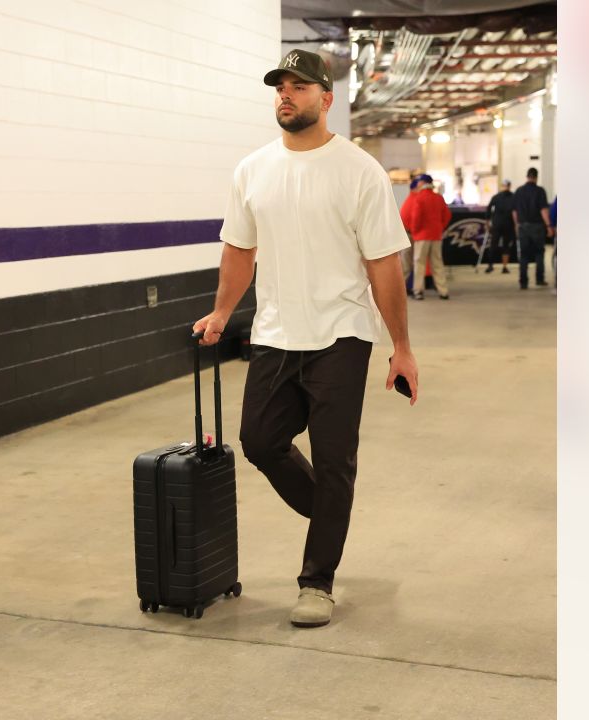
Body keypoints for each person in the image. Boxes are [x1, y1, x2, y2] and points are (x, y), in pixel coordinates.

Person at [192, 49, 419, 629]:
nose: (286, 95)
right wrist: (221, 313)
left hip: (342, 334)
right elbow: (239, 250)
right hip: (274, 332)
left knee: (334, 458)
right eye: (280, 87)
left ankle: (317, 580)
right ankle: (330, 515)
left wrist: (402, 347)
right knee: (260, 441)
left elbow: (384, 265)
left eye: (299, 86)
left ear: (326, 98)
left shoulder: (359, 171)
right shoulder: (252, 170)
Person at [401, 174, 454, 300]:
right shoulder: (438, 198)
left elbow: (416, 217)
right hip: (436, 236)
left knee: (419, 263)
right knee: (437, 263)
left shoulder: (419, 198)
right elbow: (447, 215)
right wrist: (440, 227)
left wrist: (414, 231)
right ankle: (443, 291)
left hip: (421, 236)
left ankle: (418, 291)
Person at [511, 167, 554, 289]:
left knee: (524, 254)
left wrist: (516, 224)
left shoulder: (519, 191)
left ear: (527, 176)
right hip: (537, 227)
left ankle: (523, 282)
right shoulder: (540, 191)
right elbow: (543, 210)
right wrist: (548, 226)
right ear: (536, 177)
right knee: (539, 253)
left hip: (523, 226)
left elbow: (514, 211)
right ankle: (539, 279)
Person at [483, 180, 516, 275]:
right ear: (509, 186)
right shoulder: (513, 197)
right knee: (505, 246)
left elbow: (488, 209)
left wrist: (487, 222)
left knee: (494, 245)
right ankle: (504, 267)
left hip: (498, 224)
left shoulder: (496, 197)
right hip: (507, 225)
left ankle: (490, 265)